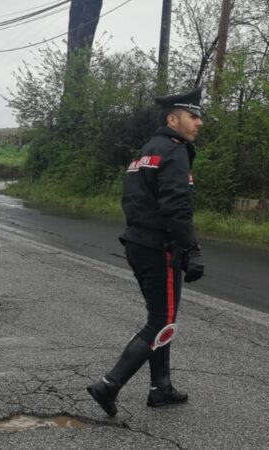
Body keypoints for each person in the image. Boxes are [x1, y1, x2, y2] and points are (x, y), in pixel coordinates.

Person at [87, 87, 206, 417]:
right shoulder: (174, 150)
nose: (198, 123)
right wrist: (191, 247)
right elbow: (176, 205)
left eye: (199, 117)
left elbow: (134, 201)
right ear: (173, 119)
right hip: (159, 247)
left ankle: (161, 388)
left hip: (139, 243)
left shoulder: (145, 151)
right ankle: (109, 384)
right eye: (192, 116)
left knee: (161, 317)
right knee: (162, 322)